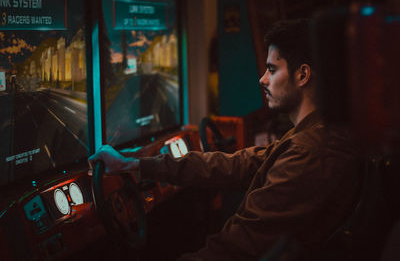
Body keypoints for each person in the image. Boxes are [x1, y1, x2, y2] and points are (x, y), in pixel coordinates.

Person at [89, 19, 361, 260]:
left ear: (302, 75)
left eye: (272, 69)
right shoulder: (313, 133)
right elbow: (242, 164)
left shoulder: (309, 152)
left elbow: (236, 249)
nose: (262, 79)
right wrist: (135, 165)